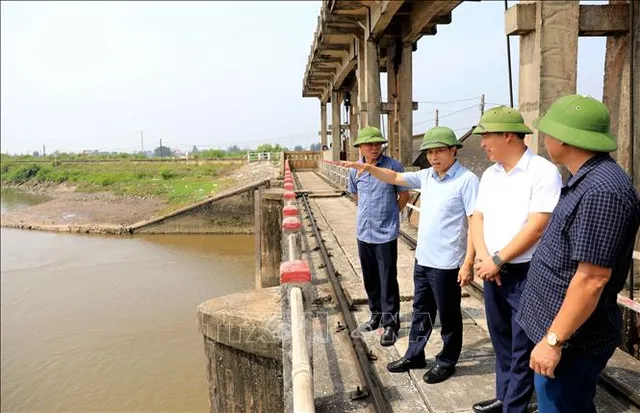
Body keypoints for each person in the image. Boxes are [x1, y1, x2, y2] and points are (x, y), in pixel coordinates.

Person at [515, 95, 640, 412]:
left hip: (571, 342)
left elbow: (592, 278)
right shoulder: (585, 178)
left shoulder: (602, 190)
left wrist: (554, 341)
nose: (544, 138)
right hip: (558, 332)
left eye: (547, 131)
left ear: (563, 137)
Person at [346, 126, 479, 383]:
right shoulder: (427, 176)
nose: (434, 157)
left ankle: (447, 360)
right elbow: (396, 178)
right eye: (430, 152)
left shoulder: (467, 181)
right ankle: (415, 354)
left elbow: (475, 222)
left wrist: (469, 262)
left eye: (439, 151)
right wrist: (369, 168)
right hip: (424, 258)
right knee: (421, 310)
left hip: (448, 262)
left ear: (454, 150)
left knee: (449, 315)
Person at [470, 106, 563, 413]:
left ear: (508, 136)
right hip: (493, 269)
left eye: (487, 136)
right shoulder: (490, 174)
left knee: (522, 344)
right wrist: (485, 259)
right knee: (500, 339)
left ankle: (515, 407)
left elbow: (537, 226)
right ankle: (504, 397)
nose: (483, 143)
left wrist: (498, 259)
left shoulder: (542, 171)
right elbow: (477, 217)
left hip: (527, 272)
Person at [347, 126, 410, 346]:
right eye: (369, 144)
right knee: (370, 277)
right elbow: (355, 194)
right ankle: (376, 315)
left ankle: (391, 323)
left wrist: (392, 214)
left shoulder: (393, 167)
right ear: (361, 147)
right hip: (364, 231)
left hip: (385, 234)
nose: (374, 148)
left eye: (377, 144)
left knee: (387, 279)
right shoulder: (354, 171)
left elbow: (404, 195)